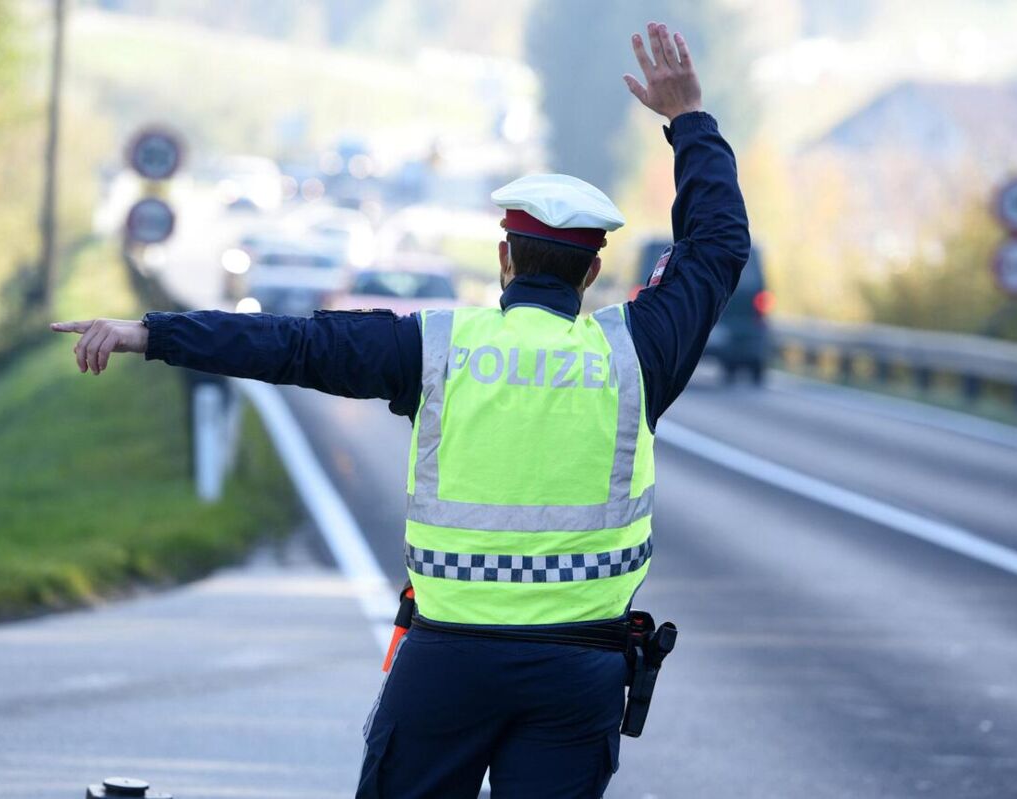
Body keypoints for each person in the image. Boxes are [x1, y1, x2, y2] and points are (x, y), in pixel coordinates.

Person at [53, 21, 749, 799]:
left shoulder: (436, 346)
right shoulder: (635, 353)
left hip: (447, 665)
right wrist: (688, 119)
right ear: (591, 273)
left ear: (505, 259)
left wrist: (151, 333)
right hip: (578, 672)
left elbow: (294, 344)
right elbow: (718, 246)